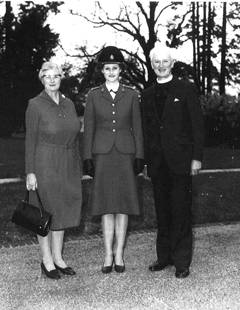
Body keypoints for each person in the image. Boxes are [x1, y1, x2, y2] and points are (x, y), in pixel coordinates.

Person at [140, 43, 204, 279]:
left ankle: (182, 261)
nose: (160, 66)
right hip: (157, 163)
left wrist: (196, 157)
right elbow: (147, 131)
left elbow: (197, 125)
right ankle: (164, 257)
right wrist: (146, 162)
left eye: (165, 61)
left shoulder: (185, 89)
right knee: (162, 211)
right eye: (156, 62)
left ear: (172, 63)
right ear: (152, 64)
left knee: (181, 211)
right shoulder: (146, 95)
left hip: (181, 161)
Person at [82, 46, 144, 274]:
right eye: (107, 68)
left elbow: (137, 127)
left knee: (124, 205)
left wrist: (139, 156)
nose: (111, 72)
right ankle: (108, 254)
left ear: (121, 70)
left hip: (125, 154)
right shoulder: (93, 95)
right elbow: (89, 128)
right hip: (103, 155)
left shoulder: (132, 94)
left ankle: (120, 254)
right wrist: (87, 157)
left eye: (114, 68)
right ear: (102, 70)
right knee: (107, 206)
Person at [25, 61, 82, 280]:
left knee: (63, 209)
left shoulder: (68, 103)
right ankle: (47, 260)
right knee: (45, 212)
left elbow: (75, 135)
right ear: (41, 79)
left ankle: (58, 257)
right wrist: (30, 172)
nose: (52, 80)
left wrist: (76, 165)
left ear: (61, 78)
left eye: (56, 76)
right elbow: (30, 140)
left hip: (67, 160)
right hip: (45, 162)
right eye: (47, 76)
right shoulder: (35, 104)